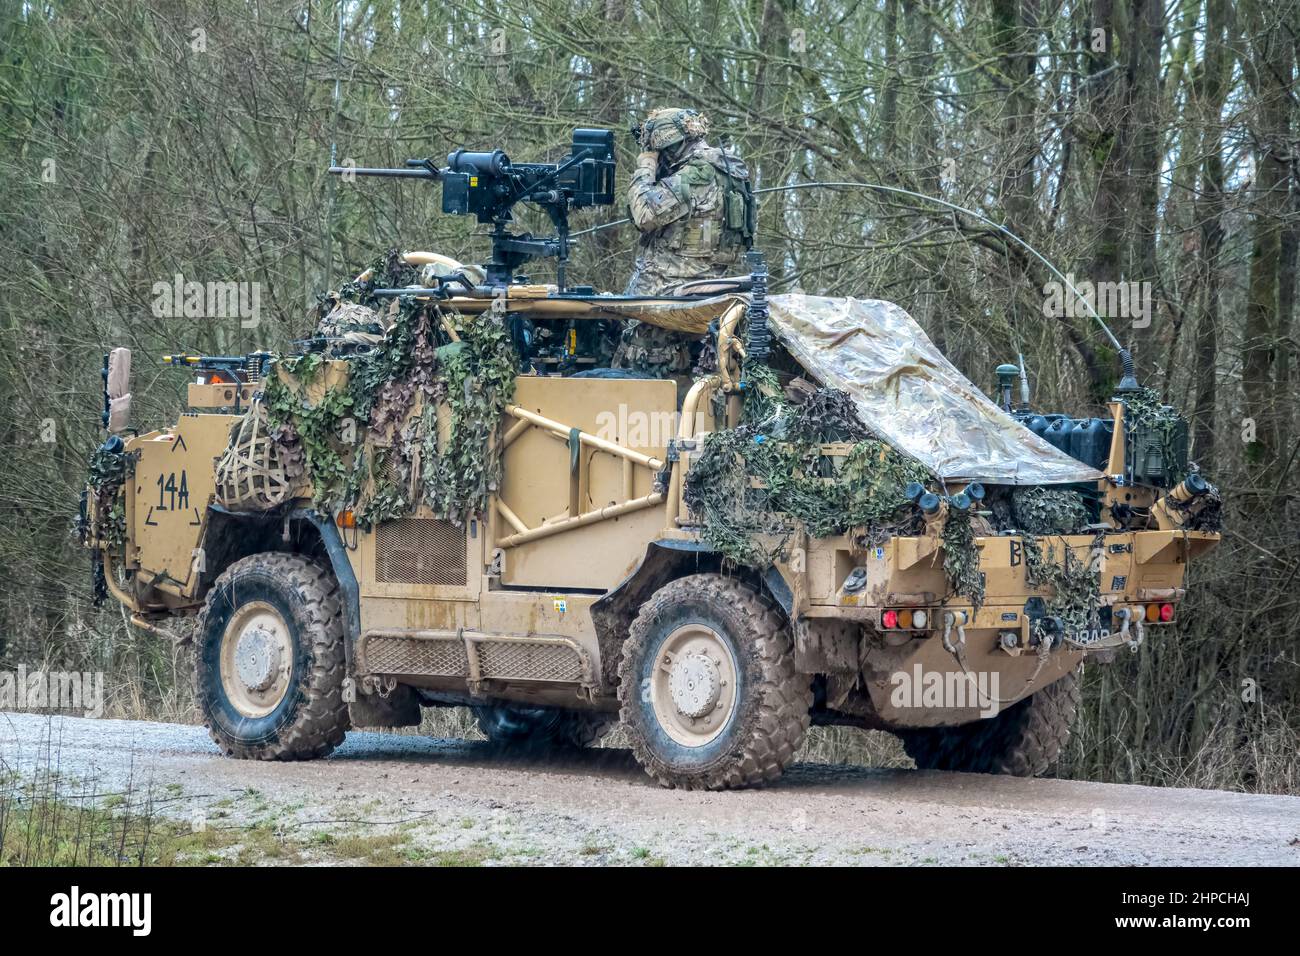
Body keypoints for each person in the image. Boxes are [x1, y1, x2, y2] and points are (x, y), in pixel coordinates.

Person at [615, 108, 754, 378]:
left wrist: (645, 166)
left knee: (632, 375)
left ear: (669, 145)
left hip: (666, 293)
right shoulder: (728, 171)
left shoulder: (697, 174)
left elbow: (644, 214)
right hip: (708, 285)